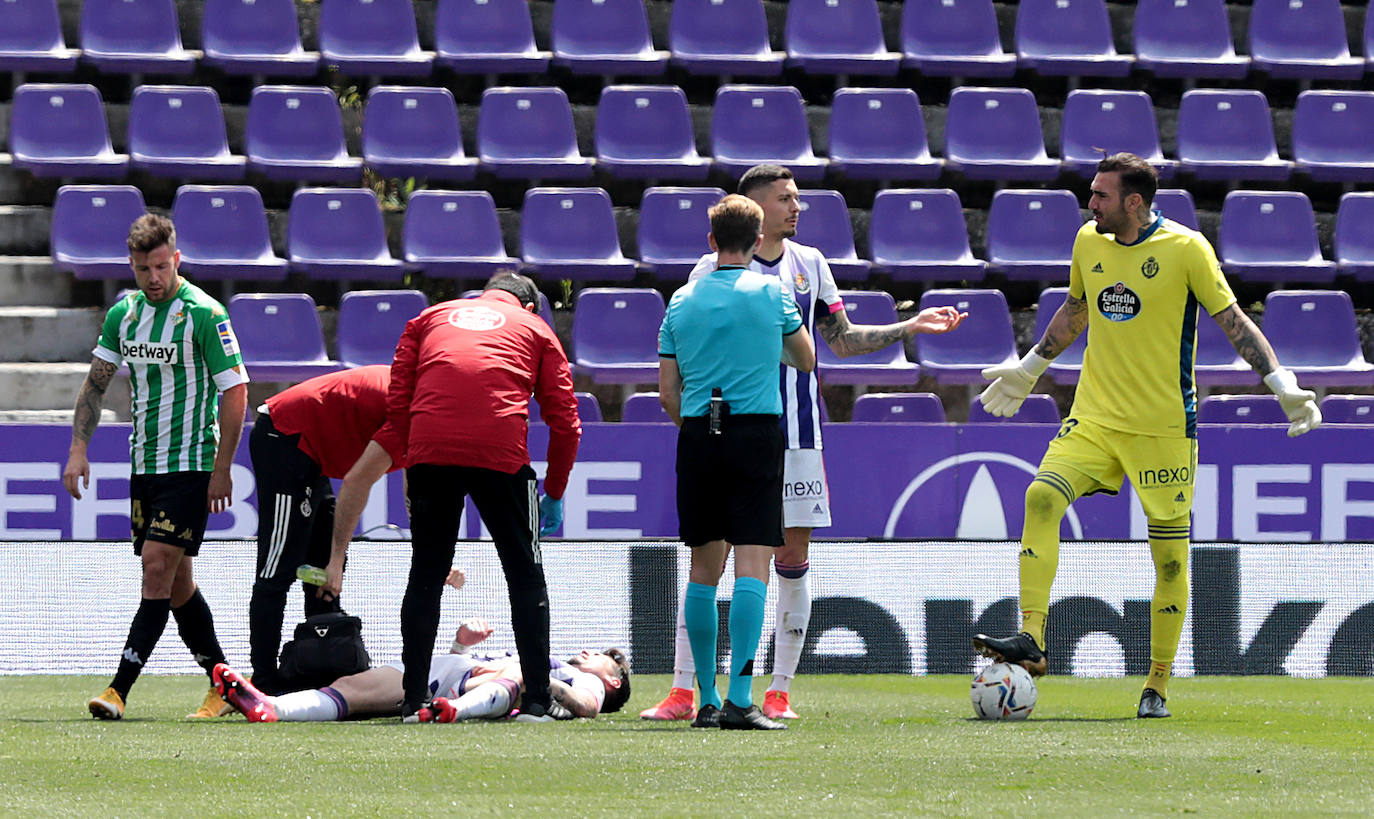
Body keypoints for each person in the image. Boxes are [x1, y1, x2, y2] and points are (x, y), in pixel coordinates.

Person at [972, 153, 1322, 718]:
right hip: (1095, 416)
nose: (1091, 204)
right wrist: (1029, 367)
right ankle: (1032, 640)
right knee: (1040, 496)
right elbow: (1076, 309)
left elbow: (1234, 321)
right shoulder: (1089, 240)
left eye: (1101, 196)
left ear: (1135, 202)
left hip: (1162, 428)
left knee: (1170, 563)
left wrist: (1281, 384)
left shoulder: (1186, 250)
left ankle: (1157, 682)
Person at [642, 165, 967, 722]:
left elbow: (838, 340)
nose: (797, 208)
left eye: (798, 199)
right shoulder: (707, 272)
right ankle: (684, 689)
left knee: (789, 557)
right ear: (753, 208)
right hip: (753, 431)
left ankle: (779, 689)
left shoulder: (810, 264)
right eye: (786, 199)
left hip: (793, 434)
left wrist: (906, 330)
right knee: (715, 561)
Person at [63, 213, 249, 720]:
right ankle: (227, 685)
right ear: (131, 265)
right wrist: (79, 448)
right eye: (144, 269)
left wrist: (223, 467)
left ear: (177, 261)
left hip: (193, 464)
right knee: (179, 583)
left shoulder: (204, 315)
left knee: (156, 567)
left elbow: (236, 392)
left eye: (162, 267)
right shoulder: (124, 314)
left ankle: (118, 690)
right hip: (144, 465)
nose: (154, 278)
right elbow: (96, 383)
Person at [379, 272, 581, 723]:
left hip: (431, 448)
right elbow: (565, 420)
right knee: (525, 577)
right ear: (528, 306)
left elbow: (399, 400)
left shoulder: (428, 317)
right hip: (500, 451)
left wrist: (412, 459)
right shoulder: (535, 328)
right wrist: (555, 491)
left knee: (426, 576)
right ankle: (535, 703)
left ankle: (413, 701)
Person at [658, 194, 817, 730]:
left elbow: (667, 393)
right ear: (755, 244)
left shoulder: (680, 301)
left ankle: (703, 697)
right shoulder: (772, 294)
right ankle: (741, 698)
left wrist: (701, 429)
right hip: (756, 433)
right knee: (753, 563)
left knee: (704, 569)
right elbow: (806, 359)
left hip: (700, 434)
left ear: (711, 243)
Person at [213, 571, 631, 723]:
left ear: (612, 681)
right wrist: (460, 645)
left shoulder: (584, 682)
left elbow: (586, 707)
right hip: (449, 672)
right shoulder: (560, 659)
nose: (590, 652)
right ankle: (269, 706)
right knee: (352, 688)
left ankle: (452, 713)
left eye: (603, 657)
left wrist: (535, 681)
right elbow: (471, 670)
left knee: (521, 670)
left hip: (484, 690)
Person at [248, 364, 403, 694]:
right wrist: (336, 560)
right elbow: (356, 482)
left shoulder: (431, 405)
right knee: (278, 566)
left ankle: (320, 671)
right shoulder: (414, 408)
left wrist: (435, 556)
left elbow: (418, 488)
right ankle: (262, 684)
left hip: (311, 446)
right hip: (285, 434)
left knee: (320, 567)